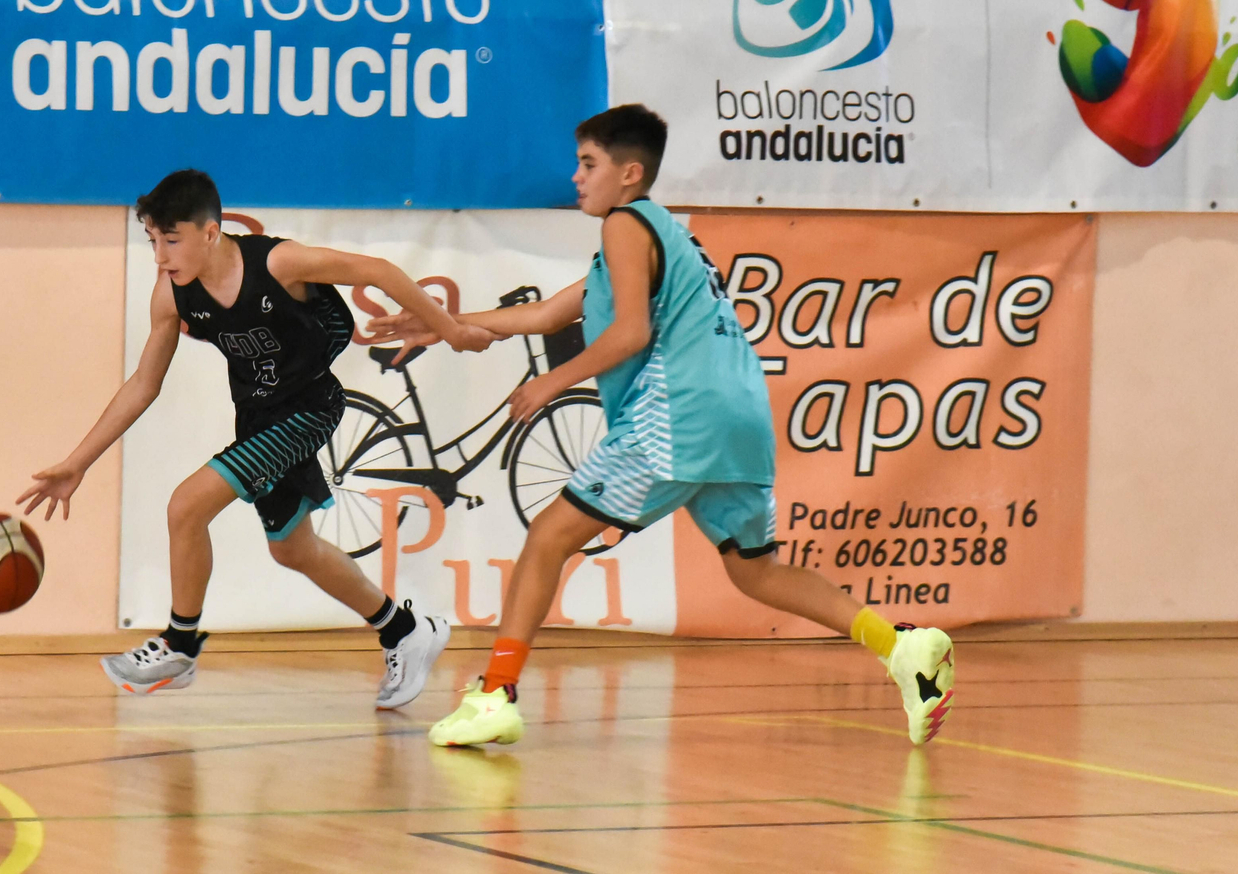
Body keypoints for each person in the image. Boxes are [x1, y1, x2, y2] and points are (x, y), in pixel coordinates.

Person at [371, 106, 955, 747]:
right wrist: (443, 325)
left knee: (547, 537)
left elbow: (630, 334)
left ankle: (495, 695)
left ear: (630, 173)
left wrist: (550, 383)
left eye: (588, 164)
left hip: (680, 414)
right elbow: (542, 316)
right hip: (740, 418)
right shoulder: (661, 239)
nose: (576, 177)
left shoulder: (626, 223)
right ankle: (901, 647)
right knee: (754, 570)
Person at [18, 169, 494, 707]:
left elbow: (378, 270)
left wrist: (450, 330)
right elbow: (143, 384)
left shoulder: (278, 263)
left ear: (210, 232)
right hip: (260, 417)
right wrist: (79, 462)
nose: (161, 256)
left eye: (171, 240)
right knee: (294, 549)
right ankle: (404, 631)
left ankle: (180, 645)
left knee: (185, 507)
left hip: (311, 407)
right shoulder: (172, 294)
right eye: (153, 241)